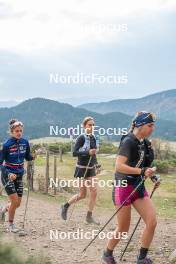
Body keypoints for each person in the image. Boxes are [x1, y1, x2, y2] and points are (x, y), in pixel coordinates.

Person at [102, 111, 160, 264]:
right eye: (150, 125)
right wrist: (142, 171)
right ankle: (107, 253)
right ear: (139, 125)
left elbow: (145, 166)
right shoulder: (128, 141)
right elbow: (119, 166)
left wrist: (152, 176)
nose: (152, 128)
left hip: (138, 186)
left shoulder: (146, 143)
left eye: (153, 125)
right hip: (123, 187)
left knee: (152, 221)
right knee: (123, 228)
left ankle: (141, 258)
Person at [61, 116, 100, 224]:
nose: (92, 127)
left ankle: (89, 216)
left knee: (94, 192)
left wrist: (97, 164)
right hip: (81, 169)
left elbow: (94, 153)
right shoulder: (81, 138)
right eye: (89, 125)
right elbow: (74, 153)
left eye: (93, 125)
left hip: (90, 168)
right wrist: (87, 152)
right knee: (83, 194)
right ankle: (65, 206)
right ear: (84, 126)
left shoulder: (93, 138)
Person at [0, 119, 35, 232]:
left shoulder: (25, 142)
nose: (19, 133)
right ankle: (10, 225)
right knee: (14, 201)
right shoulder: (6, 145)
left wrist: (33, 156)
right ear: (11, 132)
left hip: (19, 175)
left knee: (17, 204)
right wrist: (8, 173)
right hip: (8, 176)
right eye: (16, 131)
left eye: (20, 130)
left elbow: (28, 157)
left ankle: (3, 211)